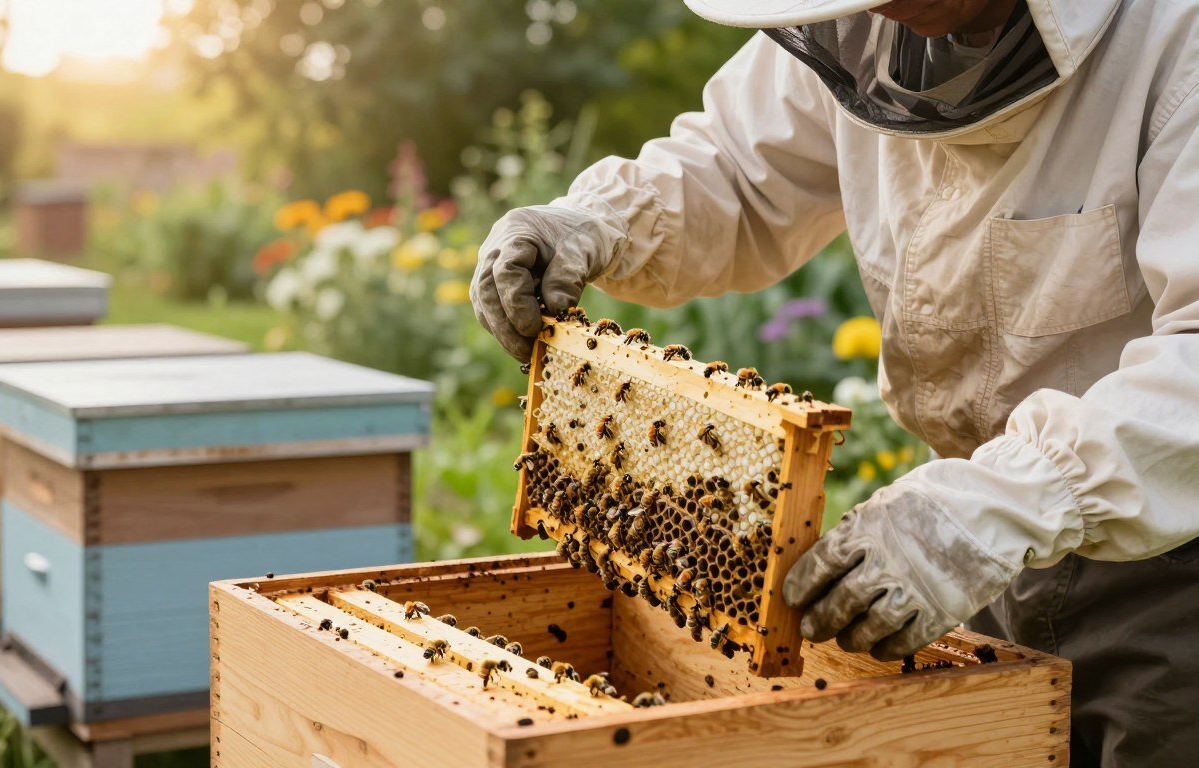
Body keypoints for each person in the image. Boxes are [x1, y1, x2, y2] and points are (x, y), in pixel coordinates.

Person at [471, 0, 1199, 764]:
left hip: (1173, 574)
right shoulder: (856, 29)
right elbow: (737, 169)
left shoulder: (1174, 38)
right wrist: (599, 220)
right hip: (983, 552)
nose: (874, 13)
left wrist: (1000, 508)